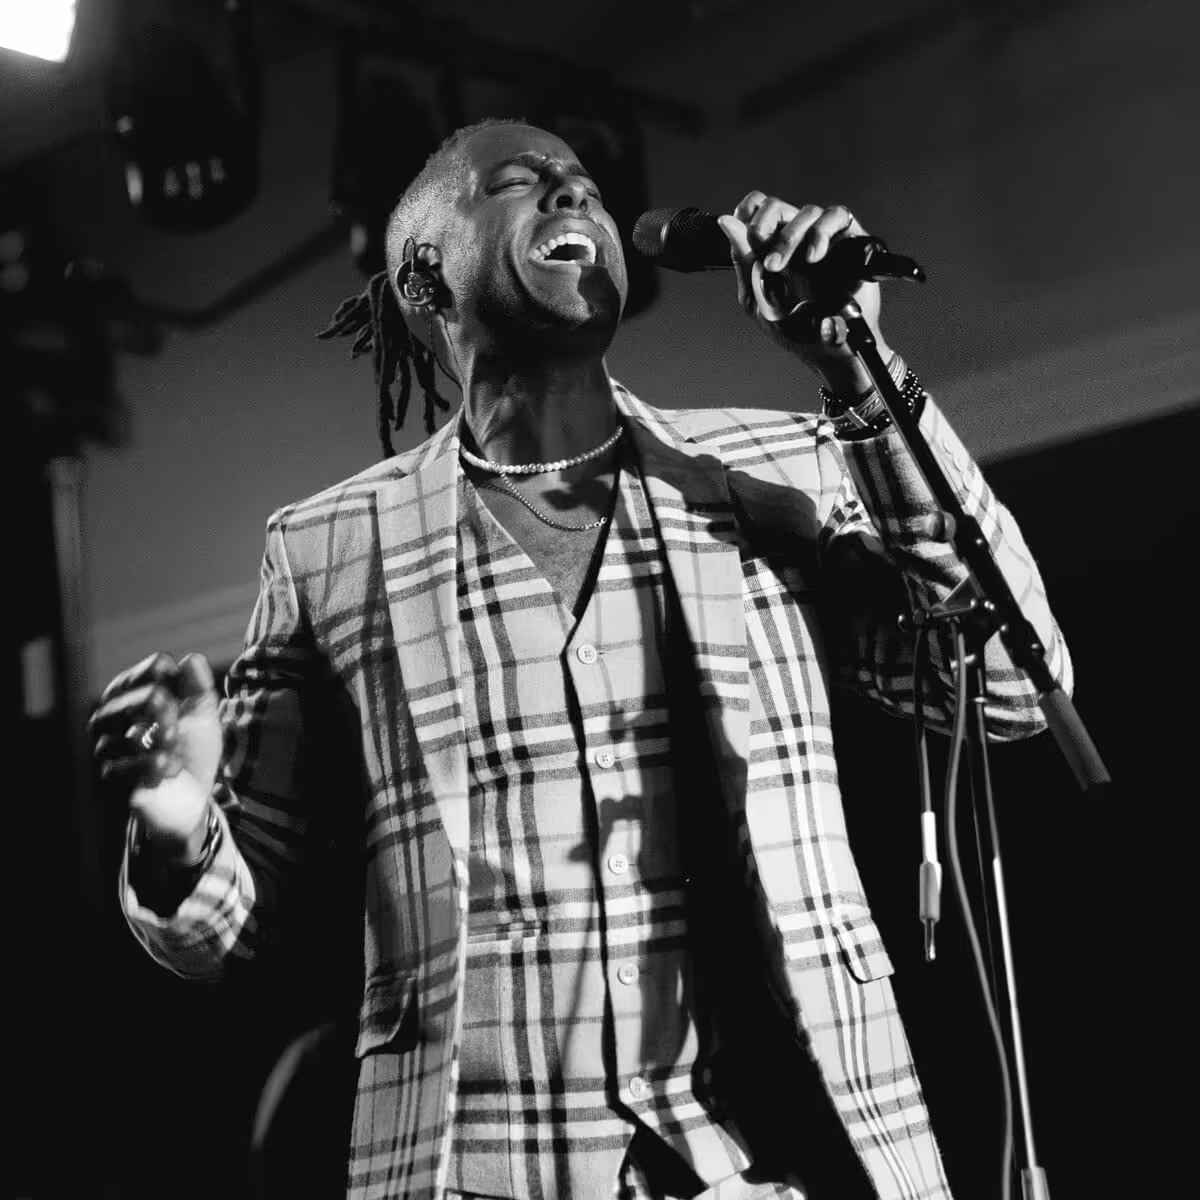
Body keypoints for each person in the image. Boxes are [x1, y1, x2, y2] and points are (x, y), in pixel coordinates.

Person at [90, 118, 1072, 1200]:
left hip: (782, 1158)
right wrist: (179, 826)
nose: (572, 198)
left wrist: (856, 364)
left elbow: (1015, 690)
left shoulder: (778, 465)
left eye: (586, 188)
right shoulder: (329, 546)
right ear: (424, 280)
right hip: (484, 1171)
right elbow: (229, 933)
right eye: (521, 183)